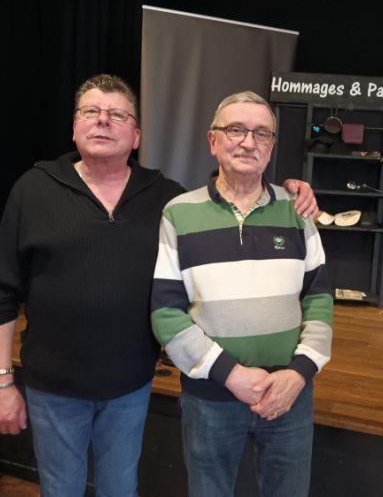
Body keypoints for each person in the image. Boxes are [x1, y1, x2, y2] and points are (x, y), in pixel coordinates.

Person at [0, 75, 318, 496]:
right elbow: (3, 293)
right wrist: (2, 381)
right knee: (60, 490)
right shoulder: (32, 190)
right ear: (74, 127)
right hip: (52, 387)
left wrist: (293, 191)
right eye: (91, 112)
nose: (103, 121)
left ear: (136, 136)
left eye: (117, 115)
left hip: (130, 385)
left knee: (120, 488)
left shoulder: (166, 199)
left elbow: (230, 196)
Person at [151, 91, 333, 497]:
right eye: (236, 130)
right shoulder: (178, 213)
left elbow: (319, 299)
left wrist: (299, 373)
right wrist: (231, 375)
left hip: (289, 395)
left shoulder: (297, 211)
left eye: (261, 133)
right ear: (213, 141)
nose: (249, 142)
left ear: (271, 146)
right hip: (211, 398)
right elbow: (166, 312)